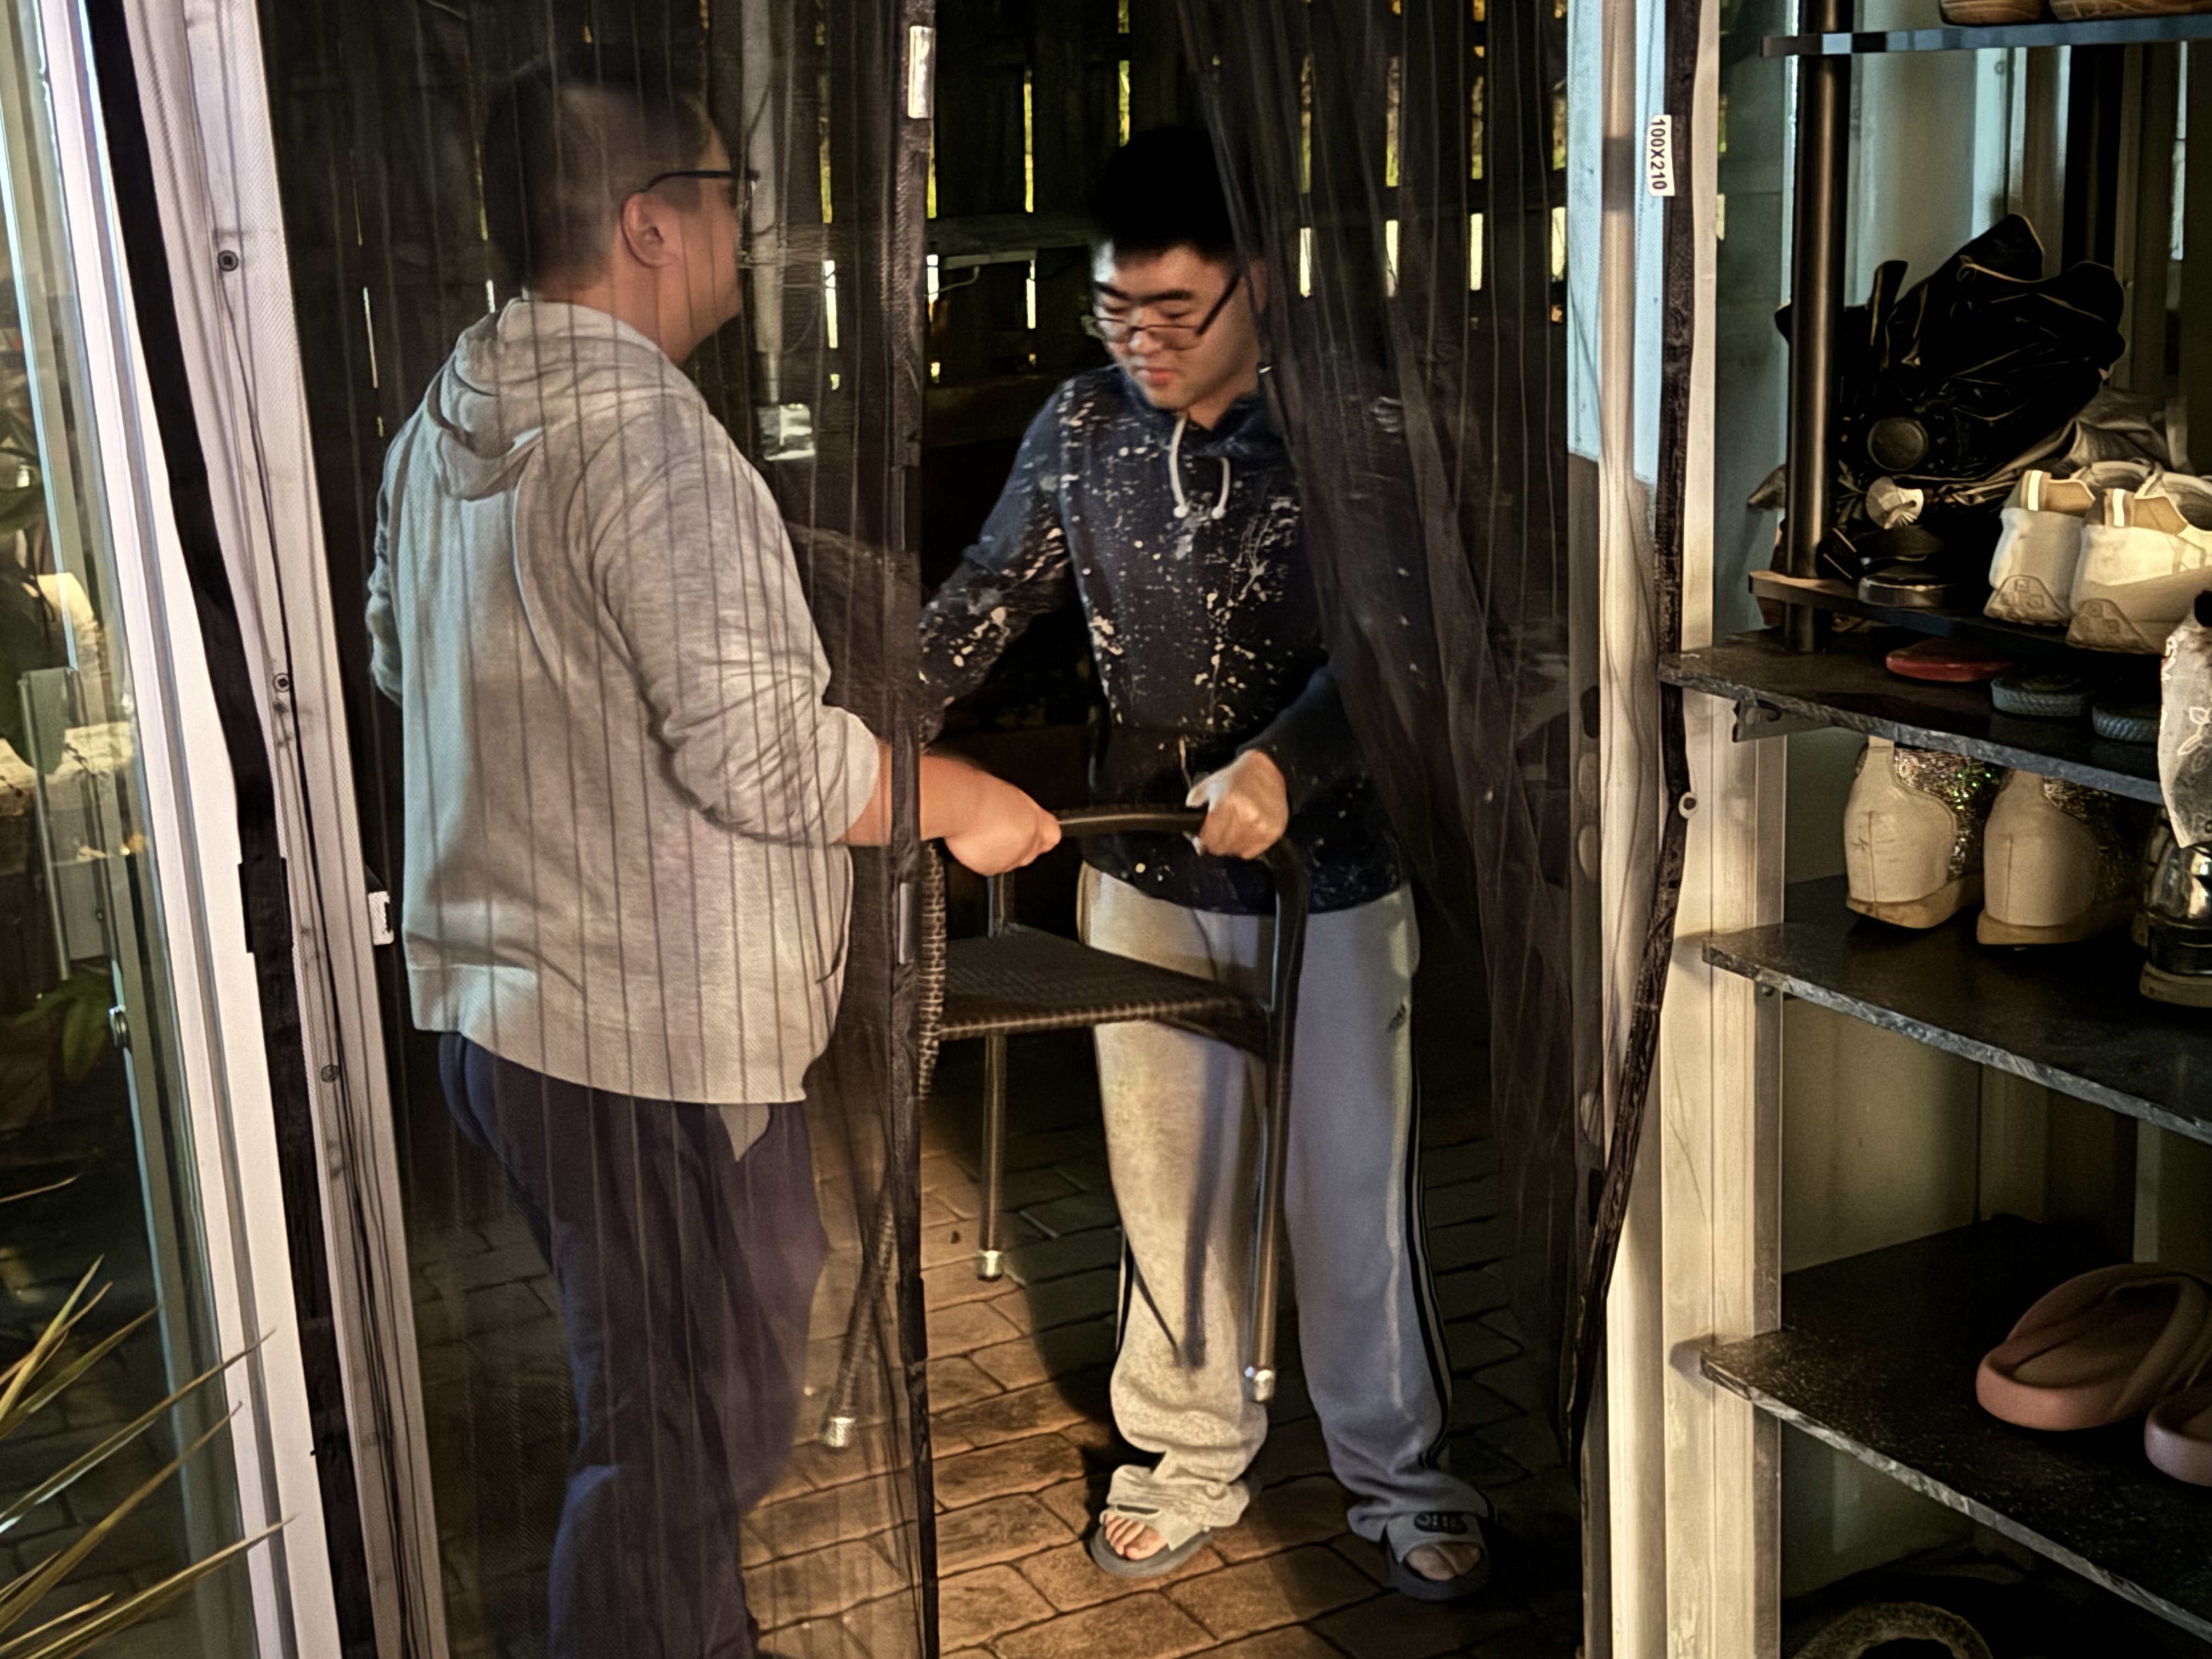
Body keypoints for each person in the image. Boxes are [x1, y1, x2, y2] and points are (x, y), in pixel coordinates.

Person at [365, 47, 1058, 1659]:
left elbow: (401, 657)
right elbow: (761, 756)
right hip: (645, 1053)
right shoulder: (649, 449)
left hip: (512, 1025)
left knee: (662, 1409)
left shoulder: (451, 414)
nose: (752, 229)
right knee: (689, 1433)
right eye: (734, 195)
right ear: (649, 223)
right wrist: (958, 796)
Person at [918, 126, 1493, 1600]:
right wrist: (872, 743)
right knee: (1169, 1182)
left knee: (1347, 1190)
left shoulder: (1357, 433)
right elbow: (984, 601)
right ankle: (1184, 1453)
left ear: (1260, 284)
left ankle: (1399, 1474)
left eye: (1177, 311)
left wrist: (1286, 763)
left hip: (1328, 872)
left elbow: (1403, 650)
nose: (1145, 343)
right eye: (1119, 311)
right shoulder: (1081, 428)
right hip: (1145, 865)